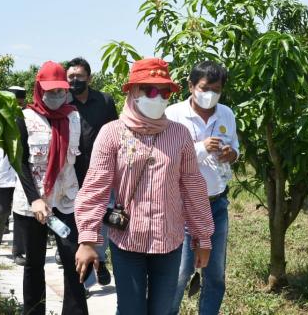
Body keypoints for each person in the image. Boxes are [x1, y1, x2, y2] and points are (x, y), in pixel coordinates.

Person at [74, 58, 215, 315]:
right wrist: (87, 240)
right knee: (131, 310)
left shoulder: (179, 134)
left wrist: (202, 237)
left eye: (164, 92)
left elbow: (192, 186)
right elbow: (95, 188)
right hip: (127, 240)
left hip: (169, 241)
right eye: (150, 90)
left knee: (162, 310)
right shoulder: (112, 133)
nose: (158, 97)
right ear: (132, 91)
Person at [11, 61, 89, 315]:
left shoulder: (73, 116)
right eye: (50, 91)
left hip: (66, 200)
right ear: (38, 89)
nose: (56, 96)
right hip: (33, 204)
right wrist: (35, 199)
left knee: (73, 261)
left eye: (60, 91)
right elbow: (20, 161)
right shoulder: (23, 118)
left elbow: (77, 161)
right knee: (34, 263)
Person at [166, 61, 239, 315]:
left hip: (216, 203)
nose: (210, 94)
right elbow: (166, 158)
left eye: (216, 89)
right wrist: (200, 148)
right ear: (191, 86)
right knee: (179, 273)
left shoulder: (227, 114)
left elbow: (236, 149)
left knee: (215, 273)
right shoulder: (173, 115)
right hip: (183, 206)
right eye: (204, 88)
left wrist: (232, 154)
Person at [65, 57, 118, 285]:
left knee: (103, 220)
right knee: (79, 224)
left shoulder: (105, 101)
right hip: (73, 174)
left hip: (103, 174)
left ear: (89, 77)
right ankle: (85, 275)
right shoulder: (64, 102)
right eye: (71, 77)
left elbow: (116, 133)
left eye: (79, 76)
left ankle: (100, 259)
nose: (75, 80)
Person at [9, 85, 28, 266]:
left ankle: (19, 251)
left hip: (24, 169)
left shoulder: (28, 116)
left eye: (20, 102)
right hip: (3, 169)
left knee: (20, 214)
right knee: (2, 210)